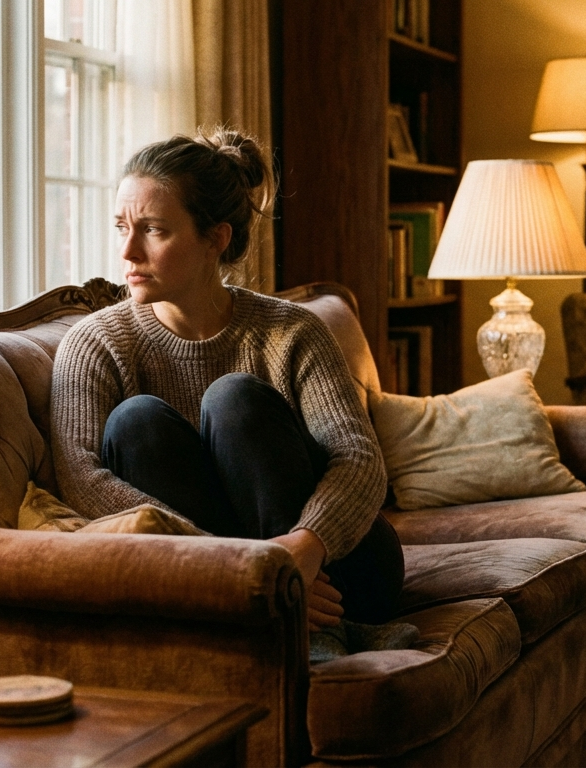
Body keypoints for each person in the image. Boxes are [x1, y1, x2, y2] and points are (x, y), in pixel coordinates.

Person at [51, 129, 402, 635]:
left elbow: (360, 459)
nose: (128, 251)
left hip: (342, 576)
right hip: (214, 584)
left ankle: (317, 636)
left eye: (153, 230)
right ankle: (282, 624)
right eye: (121, 226)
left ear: (216, 238)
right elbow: (81, 479)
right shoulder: (96, 344)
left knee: (233, 397)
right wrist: (238, 567)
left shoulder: (292, 332)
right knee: (135, 421)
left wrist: (303, 547)